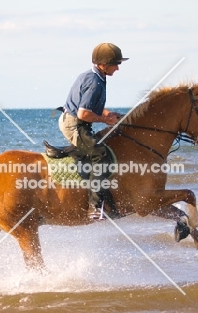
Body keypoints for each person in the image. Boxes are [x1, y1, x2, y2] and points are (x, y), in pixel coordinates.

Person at [59, 43, 129, 220]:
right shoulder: (95, 82)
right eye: (115, 64)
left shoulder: (92, 76)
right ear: (103, 65)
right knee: (101, 154)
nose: (118, 68)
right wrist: (105, 120)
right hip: (75, 125)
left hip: (77, 121)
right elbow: (83, 114)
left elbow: (91, 107)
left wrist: (108, 113)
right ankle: (95, 207)